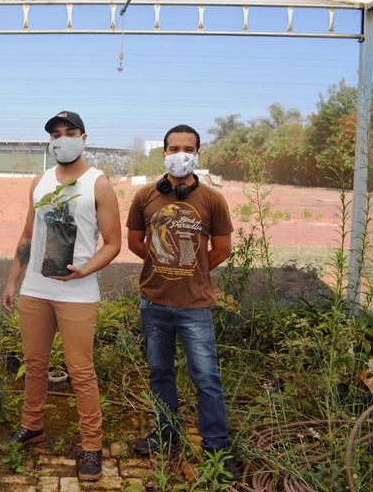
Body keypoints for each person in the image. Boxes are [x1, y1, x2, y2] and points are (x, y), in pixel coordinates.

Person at [0, 111, 121, 482]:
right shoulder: (40, 181)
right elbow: (27, 236)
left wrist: (85, 269)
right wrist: (12, 281)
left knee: (80, 370)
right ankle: (31, 425)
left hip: (77, 292)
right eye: (55, 133)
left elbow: (114, 243)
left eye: (69, 132)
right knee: (34, 363)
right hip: (36, 289)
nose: (61, 138)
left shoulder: (98, 184)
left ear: (84, 138)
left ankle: (91, 446)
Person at [126, 124, 240, 482]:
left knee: (206, 378)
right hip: (154, 303)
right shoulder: (145, 196)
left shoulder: (212, 200)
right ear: (164, 154)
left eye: (187, 148)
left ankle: (217, 449)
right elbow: (134, 241)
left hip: (195, 307)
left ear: (197, 155)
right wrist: (164, 261)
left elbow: (221, 249)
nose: (180, 154)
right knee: (160, 374)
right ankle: (166, 435)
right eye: (173, 148)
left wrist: (191, 266)